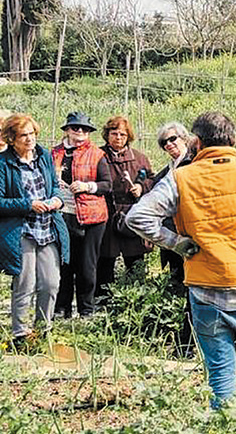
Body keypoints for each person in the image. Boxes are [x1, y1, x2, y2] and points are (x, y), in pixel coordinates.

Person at [126, 111, 236, 408]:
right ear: (233, 140)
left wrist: (176, 243)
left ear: (196, 142)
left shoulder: (180, 178)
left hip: (206, 288)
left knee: (221, 376)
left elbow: (138, 216)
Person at [0, 115, 69, 350]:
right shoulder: (3, 163)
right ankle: (20, 334)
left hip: (47, 226)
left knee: (51, 282)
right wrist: (27, 204)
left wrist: (57, 201)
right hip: (21, 230)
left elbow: (54, 187)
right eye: (23, 135)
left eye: (32, 133)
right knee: (25, 282)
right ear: (12, 139)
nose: (29, 139)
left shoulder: (44, 157)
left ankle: (43, 330)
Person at [52, 111, 111, 318]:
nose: (80, 132)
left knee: (87, 267)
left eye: (84, 129)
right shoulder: (54, 153)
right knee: (64, 264)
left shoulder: (97, 154)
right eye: (75, 128)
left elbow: (107, 185)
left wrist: (87, 186)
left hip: (92, 217)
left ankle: (86, 309)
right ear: (67, 130)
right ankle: (62, 308)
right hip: (62, 214)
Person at [96, 116, 154, 298]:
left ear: (128, 136)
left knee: (135, 260)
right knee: (105, 260)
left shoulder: (139, 158)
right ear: (107, 135)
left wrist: (141, 187)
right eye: (114, 133)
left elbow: (152, 180)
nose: (118, 138)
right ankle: (103, 301)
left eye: (123, 134)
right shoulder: (98, 155)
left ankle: (136, 299)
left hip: (132, 215)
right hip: (106, 213)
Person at [152, 122, 196, 356]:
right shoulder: (166, 171)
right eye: (164, 143)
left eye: (173, 139)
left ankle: (187, 345)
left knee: (193, 291)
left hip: (190, 238)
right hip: (171, 240)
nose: (169, 145)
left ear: (185, 138)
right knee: (179, 287)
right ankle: (182, 341)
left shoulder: (194, 165)